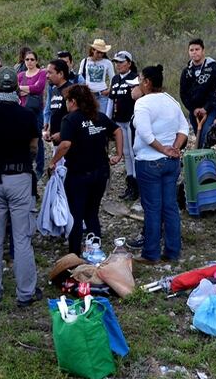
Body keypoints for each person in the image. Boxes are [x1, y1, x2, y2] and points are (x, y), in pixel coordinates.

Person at [0, 67, 42, 307]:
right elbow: (34, 147)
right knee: (22, 238)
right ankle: (25, 292)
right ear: (16, 88)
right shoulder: (26, 115)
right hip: (20, 178)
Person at [49, 84, 123, 255]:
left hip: (79, 174)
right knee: (92, 212)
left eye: (67, 101)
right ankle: (94, 249)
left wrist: (53, 161)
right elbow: (118, 130)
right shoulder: (99, 117)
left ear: (73, 101)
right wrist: (118, 154)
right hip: (101, 172)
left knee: (76, 214)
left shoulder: (70, 119)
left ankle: (74, 253)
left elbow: (66, 144)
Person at [132, 65, 189, 264]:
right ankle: (173, 251)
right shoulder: (170, 100)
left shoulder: (142, 104)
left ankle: (151, 253)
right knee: (170, 207)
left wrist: (163, 148)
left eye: (140, 79)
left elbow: (145, 133)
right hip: (170, 162)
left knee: (152, 208)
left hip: (149, 162)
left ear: (147, 82)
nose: (139, 83)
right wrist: (174, 147)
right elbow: (184, 127)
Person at [179, 38, 216, 149]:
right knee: (198, 136)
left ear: (203, 51)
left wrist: (206, 108)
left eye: (197, 49)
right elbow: (183, 93)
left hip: (211, 109)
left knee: (205, 135)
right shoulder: (186, 71)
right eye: (191, 50)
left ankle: (206, 162)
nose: (194, 52)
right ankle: (200, 161)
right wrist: (193, 109)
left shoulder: (213, 68)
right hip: (195, 111)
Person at [110, 50, 139, 201]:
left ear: (129, 62)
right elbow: (111, 99)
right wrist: (108, 120)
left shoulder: (135, 78)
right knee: (125, 152)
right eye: (116, 62)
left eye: (121, 62)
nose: (118, 65)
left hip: (131, 120)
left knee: (133, 151)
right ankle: (130, 182)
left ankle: (137, 184)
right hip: (119, 120)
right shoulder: (115, 79)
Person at [18, 50, 48, 176]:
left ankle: (40, 168)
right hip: (23, 110)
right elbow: (17, 91)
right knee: (24, 138)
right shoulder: (20, 75)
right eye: (27, 59)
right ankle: (26, 165)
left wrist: (25, 89)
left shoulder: (41, 73)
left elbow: (39, 88)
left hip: (36, 111)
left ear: (36, 61)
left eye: (32, 59)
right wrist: (30, 90)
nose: (29, 62)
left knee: (37, 139)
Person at [77, 39, 116, 116]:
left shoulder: (107, 63)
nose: (100, 55)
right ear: (92, 50)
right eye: (98, 52)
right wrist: (83, 87)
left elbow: (113, 78)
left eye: (102, 53)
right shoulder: (85, 61)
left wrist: (109, 90)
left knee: (102, 117)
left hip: (102, 94)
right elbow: (80, 76)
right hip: (88, 94)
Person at [43, 58, 73, 147]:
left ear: (60, 74)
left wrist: (62, 134)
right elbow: (54, 113)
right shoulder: (54, 90)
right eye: (46, 73)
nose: (47, 76)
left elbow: (77, 117)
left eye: (50, 73)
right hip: (56, 142)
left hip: (69, 144)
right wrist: (49, 131)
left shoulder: (72, 90)